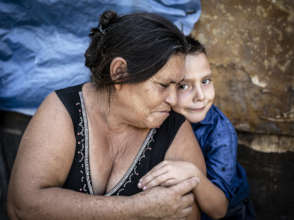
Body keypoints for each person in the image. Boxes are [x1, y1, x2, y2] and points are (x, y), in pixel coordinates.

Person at [7, 10, 206, 220]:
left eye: (178, 86)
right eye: (164, 85)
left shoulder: (174, 129)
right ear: (119, 72)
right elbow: (23, 207)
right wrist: (135, 209)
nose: (174, 100)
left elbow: (188, 212)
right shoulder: (64, 110)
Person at [138, 37, 255, 220]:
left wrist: (194, 174)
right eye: (184, 86)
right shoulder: (154, 116)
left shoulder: (220, 133)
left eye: (206, 81)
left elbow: (219, 209)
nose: (200, 96)